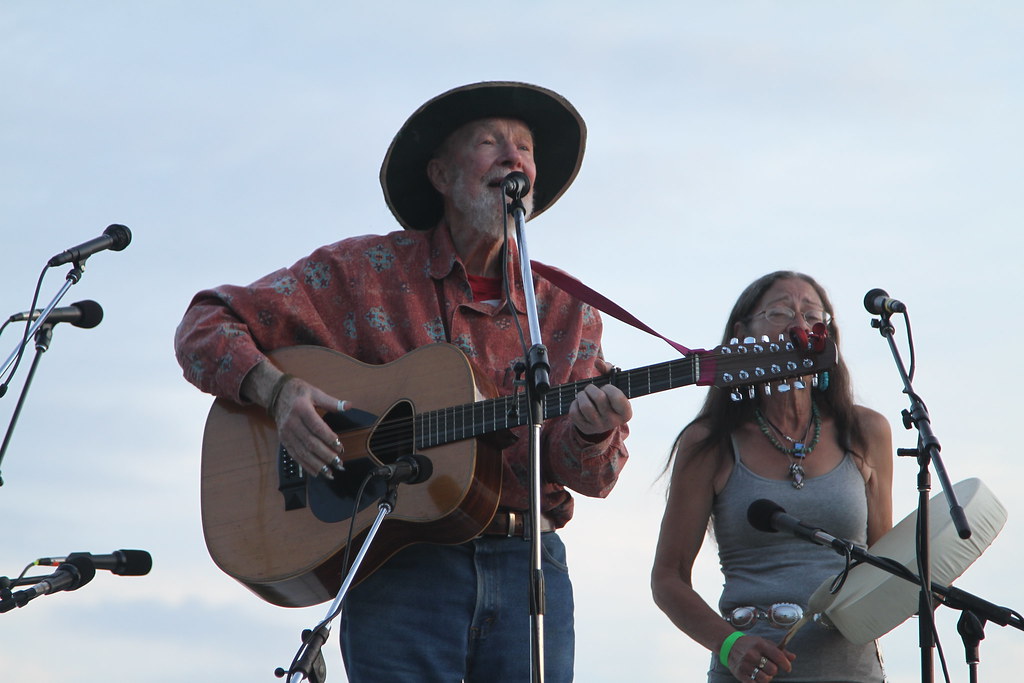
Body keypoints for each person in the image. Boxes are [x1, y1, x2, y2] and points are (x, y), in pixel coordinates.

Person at [174, 81, 632, 682]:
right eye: (490, 141)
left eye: (524, 147)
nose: (513, 156)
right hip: (401, 566)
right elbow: (205, 323)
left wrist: (594, 434)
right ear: (440, 174)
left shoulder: (568, 310)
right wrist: (278, 394)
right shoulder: (363, 273)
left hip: (530, 565)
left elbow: (592, 477)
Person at [650, 271, 893, 682]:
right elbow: (668, 578)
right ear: (742, 332)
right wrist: (729, 645)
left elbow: (886, 564)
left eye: (814, 315)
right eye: (780, 312)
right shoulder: (709, 442)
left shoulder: (866, 432)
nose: (800, 325)